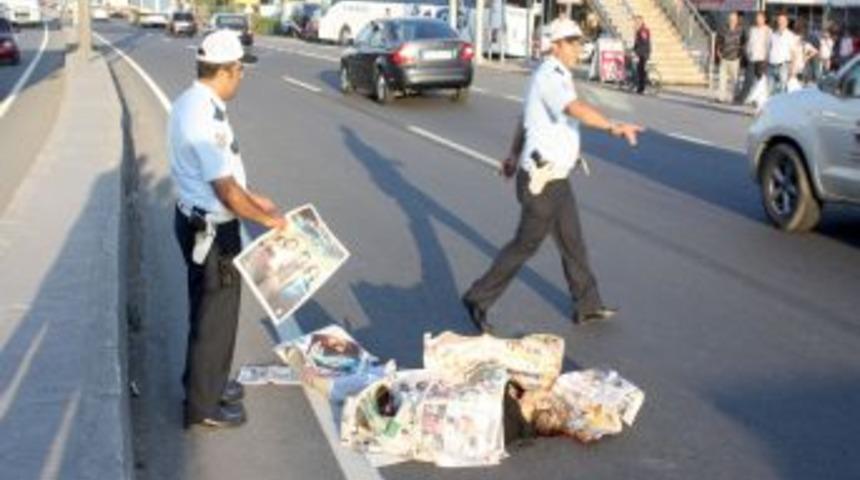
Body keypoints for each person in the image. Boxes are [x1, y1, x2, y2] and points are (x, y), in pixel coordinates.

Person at [461, 19, 643, 333]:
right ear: (555, 45)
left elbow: (525, 120)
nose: (577, 48)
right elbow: (574, 109)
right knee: (524, 245)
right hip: (542, 182)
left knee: (573, 242)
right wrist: (614, 126)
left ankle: (587, 304)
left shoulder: (557, 75)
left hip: (556, 178)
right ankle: (477, 298)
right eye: (571, 42)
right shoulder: (550, 75)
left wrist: (512, 155)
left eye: (578, 42)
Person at [169, 30, 288, 429]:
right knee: (214, 320)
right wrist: (269, 220)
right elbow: (224, 190)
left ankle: (208, 383)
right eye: (240, 70)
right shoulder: (204, 118)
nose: (242, 77)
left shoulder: (196, 102)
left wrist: (257, 198)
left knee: (211, 315)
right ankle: (203, 407)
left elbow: (225, 178)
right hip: (212, 233)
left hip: (202, 220)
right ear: (225, 71)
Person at [716, 11, 744, 103]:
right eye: (731, 19)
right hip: (724, 58)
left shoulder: (740, 30)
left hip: (735, 59)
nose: (732, 20)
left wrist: (740, 54)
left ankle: (733, 97)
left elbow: (744, 43)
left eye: (734, 19)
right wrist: (718, 51)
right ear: (728, 19)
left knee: (735, 80)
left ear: (737, 20)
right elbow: (719, 40)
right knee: (722, 79)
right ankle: (721, 97)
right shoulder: (724, 29)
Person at [767, 11, 796, 94]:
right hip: (771, 65)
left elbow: (793, 53)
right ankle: (771, 106)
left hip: (783, 66)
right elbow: (769, 50)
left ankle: (780, 106)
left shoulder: (790, 35)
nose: (781, 22)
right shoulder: (773, 34)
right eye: (779, 20)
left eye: (783, 20)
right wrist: (766, 64)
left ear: (787, 22)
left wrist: (792, 70)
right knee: (770, 90)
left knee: (782, 90)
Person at [743, 11, 771, 97]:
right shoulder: (752, 29)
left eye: (760, 18)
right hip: (752, 58)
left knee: (760, 80)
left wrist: (767, 57)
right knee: (749, 79)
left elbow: (768, 44)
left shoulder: (768, 30)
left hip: (762, 58)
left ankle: (758, 98)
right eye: (757, 18)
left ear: (764, 19)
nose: (758, 20)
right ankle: (746, 97)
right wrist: (747, 53)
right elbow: (749, 43)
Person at [632, 15, 651, 94]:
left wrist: (638, 51)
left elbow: (644, 42)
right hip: (640, 52)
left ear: (641, 21)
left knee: (641, 71)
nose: (635, 23)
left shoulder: (643, 30)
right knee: (639, 70)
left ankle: (641, 88)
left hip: (643, 53)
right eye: (635, 21)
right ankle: (639, 87)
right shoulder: (639, 30)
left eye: (637, 21)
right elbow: (637, 43)